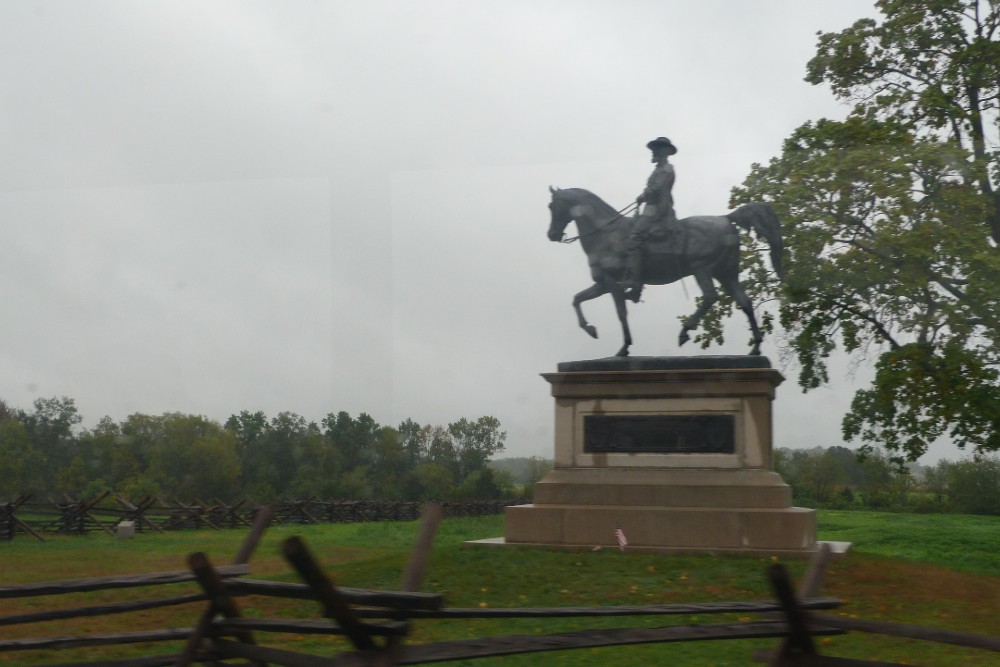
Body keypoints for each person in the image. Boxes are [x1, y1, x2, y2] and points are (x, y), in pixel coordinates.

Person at [621, 136, 679, 299]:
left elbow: (656, 189)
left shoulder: (667, 169)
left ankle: (635, 283)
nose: (653, 152)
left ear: (664, 151)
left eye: (656, 149)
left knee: (634, 237)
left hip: (658, 207)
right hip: (651, 206)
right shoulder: (658, 169)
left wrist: (642, 196)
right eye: (654, 149)